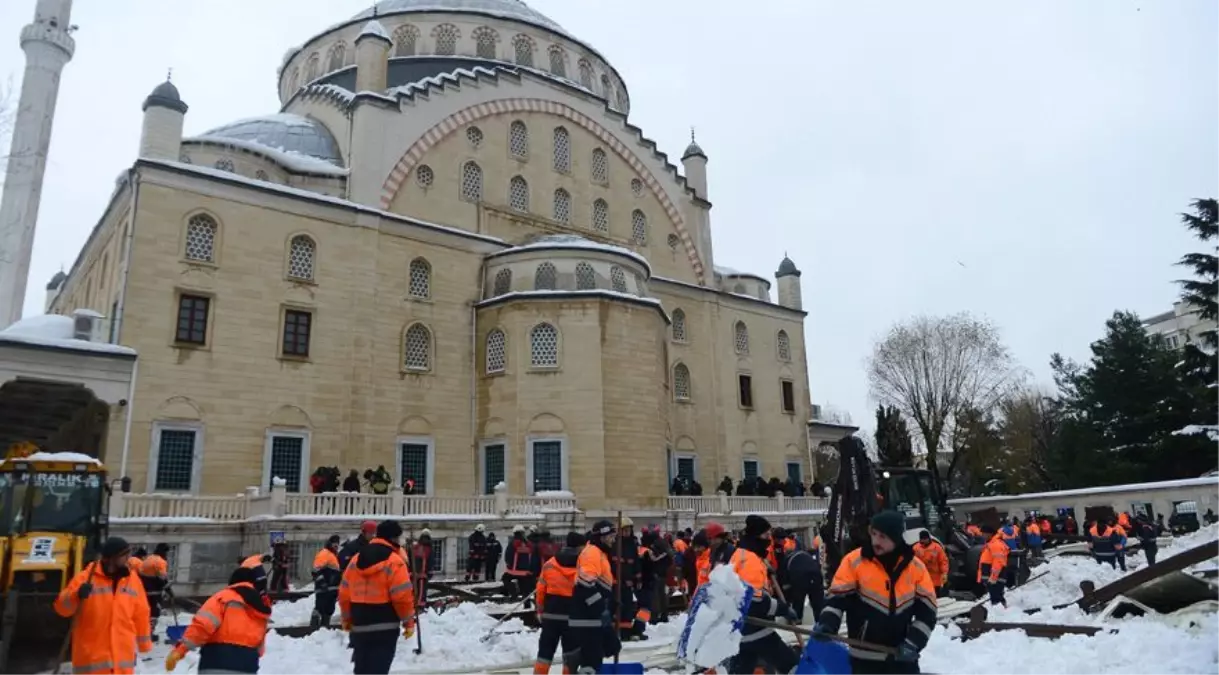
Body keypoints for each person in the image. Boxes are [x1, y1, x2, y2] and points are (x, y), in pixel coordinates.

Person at [814, 511, 937, 675]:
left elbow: (927, 614)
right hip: (865, 659)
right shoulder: (854, 562)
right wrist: (827, 624)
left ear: (896, 538)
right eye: (874, 534)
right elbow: (836, 600)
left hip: (901, 659)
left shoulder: (916, 568)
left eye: (883, 537)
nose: (876, 541)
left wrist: (913, 643)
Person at [54, 537, 153, 675]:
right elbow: (61, 608)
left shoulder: (132, 580)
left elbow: (141, 612)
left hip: (122, 661)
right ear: (112, 558)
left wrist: (144, 644)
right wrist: (75, 595)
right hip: (92, 661)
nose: (128, 558)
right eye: (124, 555)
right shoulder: (85, 578)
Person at [339, 520, 416, 675]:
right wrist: (408, 622)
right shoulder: (395, 561)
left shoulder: (356, 560)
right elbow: (402, 596)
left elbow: (344, 594)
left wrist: (347, 620)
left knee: (362, 670)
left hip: (360, 626)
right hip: (385, 627)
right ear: (393, 538)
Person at [164, 565, 272, 673]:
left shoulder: (222, 598)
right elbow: (260, 650)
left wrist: (180, 650)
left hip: (216, 663)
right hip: (248, 667)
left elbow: (202, 626)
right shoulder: (260, 608)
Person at [730, 515, 801, 675]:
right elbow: (754, 601)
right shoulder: (751, 560)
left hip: (739, 629)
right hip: (754, 627)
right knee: (791, 664)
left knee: (742, 670)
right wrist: (783, 609)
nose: (769, 539)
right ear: (756, 536)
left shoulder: (740, 554)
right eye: (766, 535)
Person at [571, 520, 619, 675]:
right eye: (610, 536)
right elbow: (585, 585)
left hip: (594, 616)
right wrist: (601, 608)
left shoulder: (599, 553)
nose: (613, 540)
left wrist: (610, 603)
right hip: (589, 618)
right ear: (601, 537)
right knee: (591, 660)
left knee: (611, 647)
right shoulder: (592, 553)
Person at [534, 532, 585, 675]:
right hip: (573, 619)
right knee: (570, 656)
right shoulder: (584, 566)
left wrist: (540, 610)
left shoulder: (550, 564)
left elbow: (540, 590)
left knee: (544, 654)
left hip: (551, 616)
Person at [777, 529, 823, 621]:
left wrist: (786, 596)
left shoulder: (785, 561)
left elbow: (784, 582)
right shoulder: (803, 553)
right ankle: (820, 620)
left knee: (798, 599)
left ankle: (796, 619)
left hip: (800, 575)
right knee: (817, 601)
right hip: (816, 573)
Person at [139, 543, 172, 641]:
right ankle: (149, 634)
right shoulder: (160, 562)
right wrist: (169, 591)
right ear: (164, 552)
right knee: (154, 613)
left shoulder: (148, 559)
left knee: (146, 613)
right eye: (167, 553)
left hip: (143, 592)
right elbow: (163, 579)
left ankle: (142, 631)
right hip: (154, 593)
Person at [311, 535, 342, 629]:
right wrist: (322, 582)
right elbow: (316, 569)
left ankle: (324, 628)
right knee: (320, 608)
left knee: (329, 609)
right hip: (324, 588)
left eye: (337, 544)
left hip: (331, 588)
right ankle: (313, 628)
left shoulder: (333, 555)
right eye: (334, 544)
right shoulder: (324, 553)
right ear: (329, 543)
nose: (336, 546)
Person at [977, 525, 1009, 607]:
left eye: (984, 533)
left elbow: (998, 562)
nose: (982, 535)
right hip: (992, 576)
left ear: (989, 534)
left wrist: (993, 577)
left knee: (996, 596)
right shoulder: (991, 543)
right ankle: (1000, 610)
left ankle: (1000, 612)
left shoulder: (996, 544)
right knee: (995, 595)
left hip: (995, 577)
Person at [912, 531, 949, 598]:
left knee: (935, 597)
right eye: (921, 539)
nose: (922, 541)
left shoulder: (937, 547)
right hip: (922, 578)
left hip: (935, 578)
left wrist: (944, 573)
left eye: (924, 539)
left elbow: (943, 561)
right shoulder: (916, 548)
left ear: (928, 538)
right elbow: (912, 562)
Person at [504, 525, 536, 600]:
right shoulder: (529, 544)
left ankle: (513, 593)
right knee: (526, 589)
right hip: (525, 571)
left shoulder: (513, 543)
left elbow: (508, 556)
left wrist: (509, 565)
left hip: (513, 571)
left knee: (505, 579)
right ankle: (527, 605)